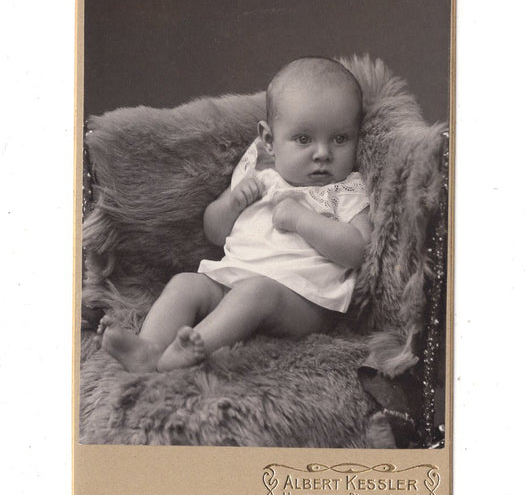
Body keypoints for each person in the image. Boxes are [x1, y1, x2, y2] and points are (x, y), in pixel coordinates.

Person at [100, 57, 372, 372]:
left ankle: (190, 350)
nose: (323, 153)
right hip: (233, 280)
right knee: (185, 283)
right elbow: (214, 231)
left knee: (256, 292)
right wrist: (232, 203)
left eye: (340, 139)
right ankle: (150, 349)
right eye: (303, 139)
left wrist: (303, 221)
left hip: (302, 302)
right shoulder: (258, 175)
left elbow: (357, 250)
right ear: (269, 141)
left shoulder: (344, 189)